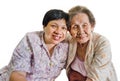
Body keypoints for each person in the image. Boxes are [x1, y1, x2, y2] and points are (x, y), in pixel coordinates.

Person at [0, 9, 69, 81]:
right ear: (44, 26)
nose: (58, 31)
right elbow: (17, 74)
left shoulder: (66, 45)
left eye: (63, 28)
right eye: (54, 26)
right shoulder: (30, 39)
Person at [66, 5, 118, 81]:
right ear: (69, 30)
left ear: (92, 26)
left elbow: (96, 77)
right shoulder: (68, 41)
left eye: (84, 25)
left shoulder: (102, 43)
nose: (81, 31)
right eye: (75, 27)